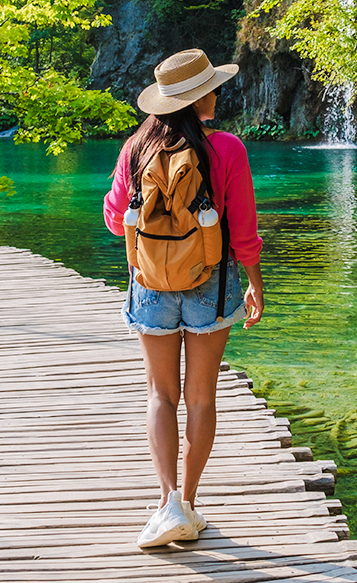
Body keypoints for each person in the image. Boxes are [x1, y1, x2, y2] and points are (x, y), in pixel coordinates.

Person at [103, 48, 265, 548]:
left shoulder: (135, 148)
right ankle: (188, 505)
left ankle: (166, 500)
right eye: (212, 87)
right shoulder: (228, 150)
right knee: (200, 397)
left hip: (149, 283)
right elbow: (242, 228)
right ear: (200, 98)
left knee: (160, 396)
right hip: (211, 285)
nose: (217, 92)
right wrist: (256, 280)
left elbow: (114, 220)